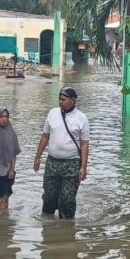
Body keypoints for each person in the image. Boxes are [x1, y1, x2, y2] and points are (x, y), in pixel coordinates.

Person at [33, 86, 90, 219]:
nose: (60, 102)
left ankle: (67, 228)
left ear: (73, 100)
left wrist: (83, 167)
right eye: (59, 99)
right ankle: (47, 227)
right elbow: (45, 136)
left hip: (72, 164)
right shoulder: (52, 113)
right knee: (48, 196)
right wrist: (37, 157)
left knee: (68, 198)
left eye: (63, 99)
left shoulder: (81, 118)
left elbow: (84, 144)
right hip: (52, 162)